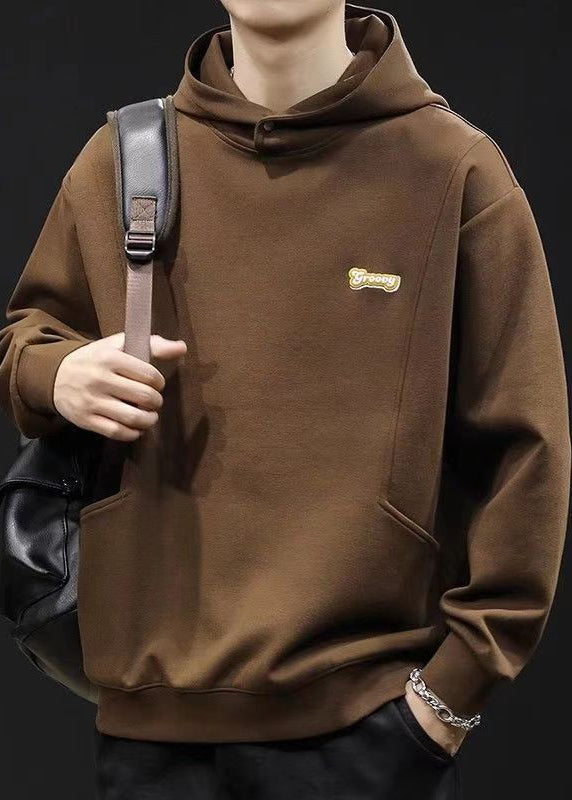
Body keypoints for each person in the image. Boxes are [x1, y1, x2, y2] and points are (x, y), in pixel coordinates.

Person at [0, 2, 570, 798]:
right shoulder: (126, 162)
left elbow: (528, 451)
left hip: (366, 735)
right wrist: (55, 373)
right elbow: (27, 337)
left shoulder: (452, 171)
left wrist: (446, 700)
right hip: (150, 739)